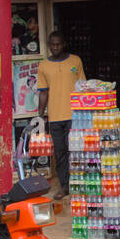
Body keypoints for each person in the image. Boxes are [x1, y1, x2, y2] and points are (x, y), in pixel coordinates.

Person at [36, 30, 85, 199]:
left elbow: (82, 88)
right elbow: (43, 92)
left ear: (64, 44)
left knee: (75, 151)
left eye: (58, 44)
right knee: (60, 153)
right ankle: (64, 187)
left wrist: (86, 112)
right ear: (49, 45)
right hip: (55, 117)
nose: (55, 47)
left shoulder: (75, 61)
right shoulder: (43, 66)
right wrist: (39, 115)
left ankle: (78, 185)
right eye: (52, 45)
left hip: (75, 115)